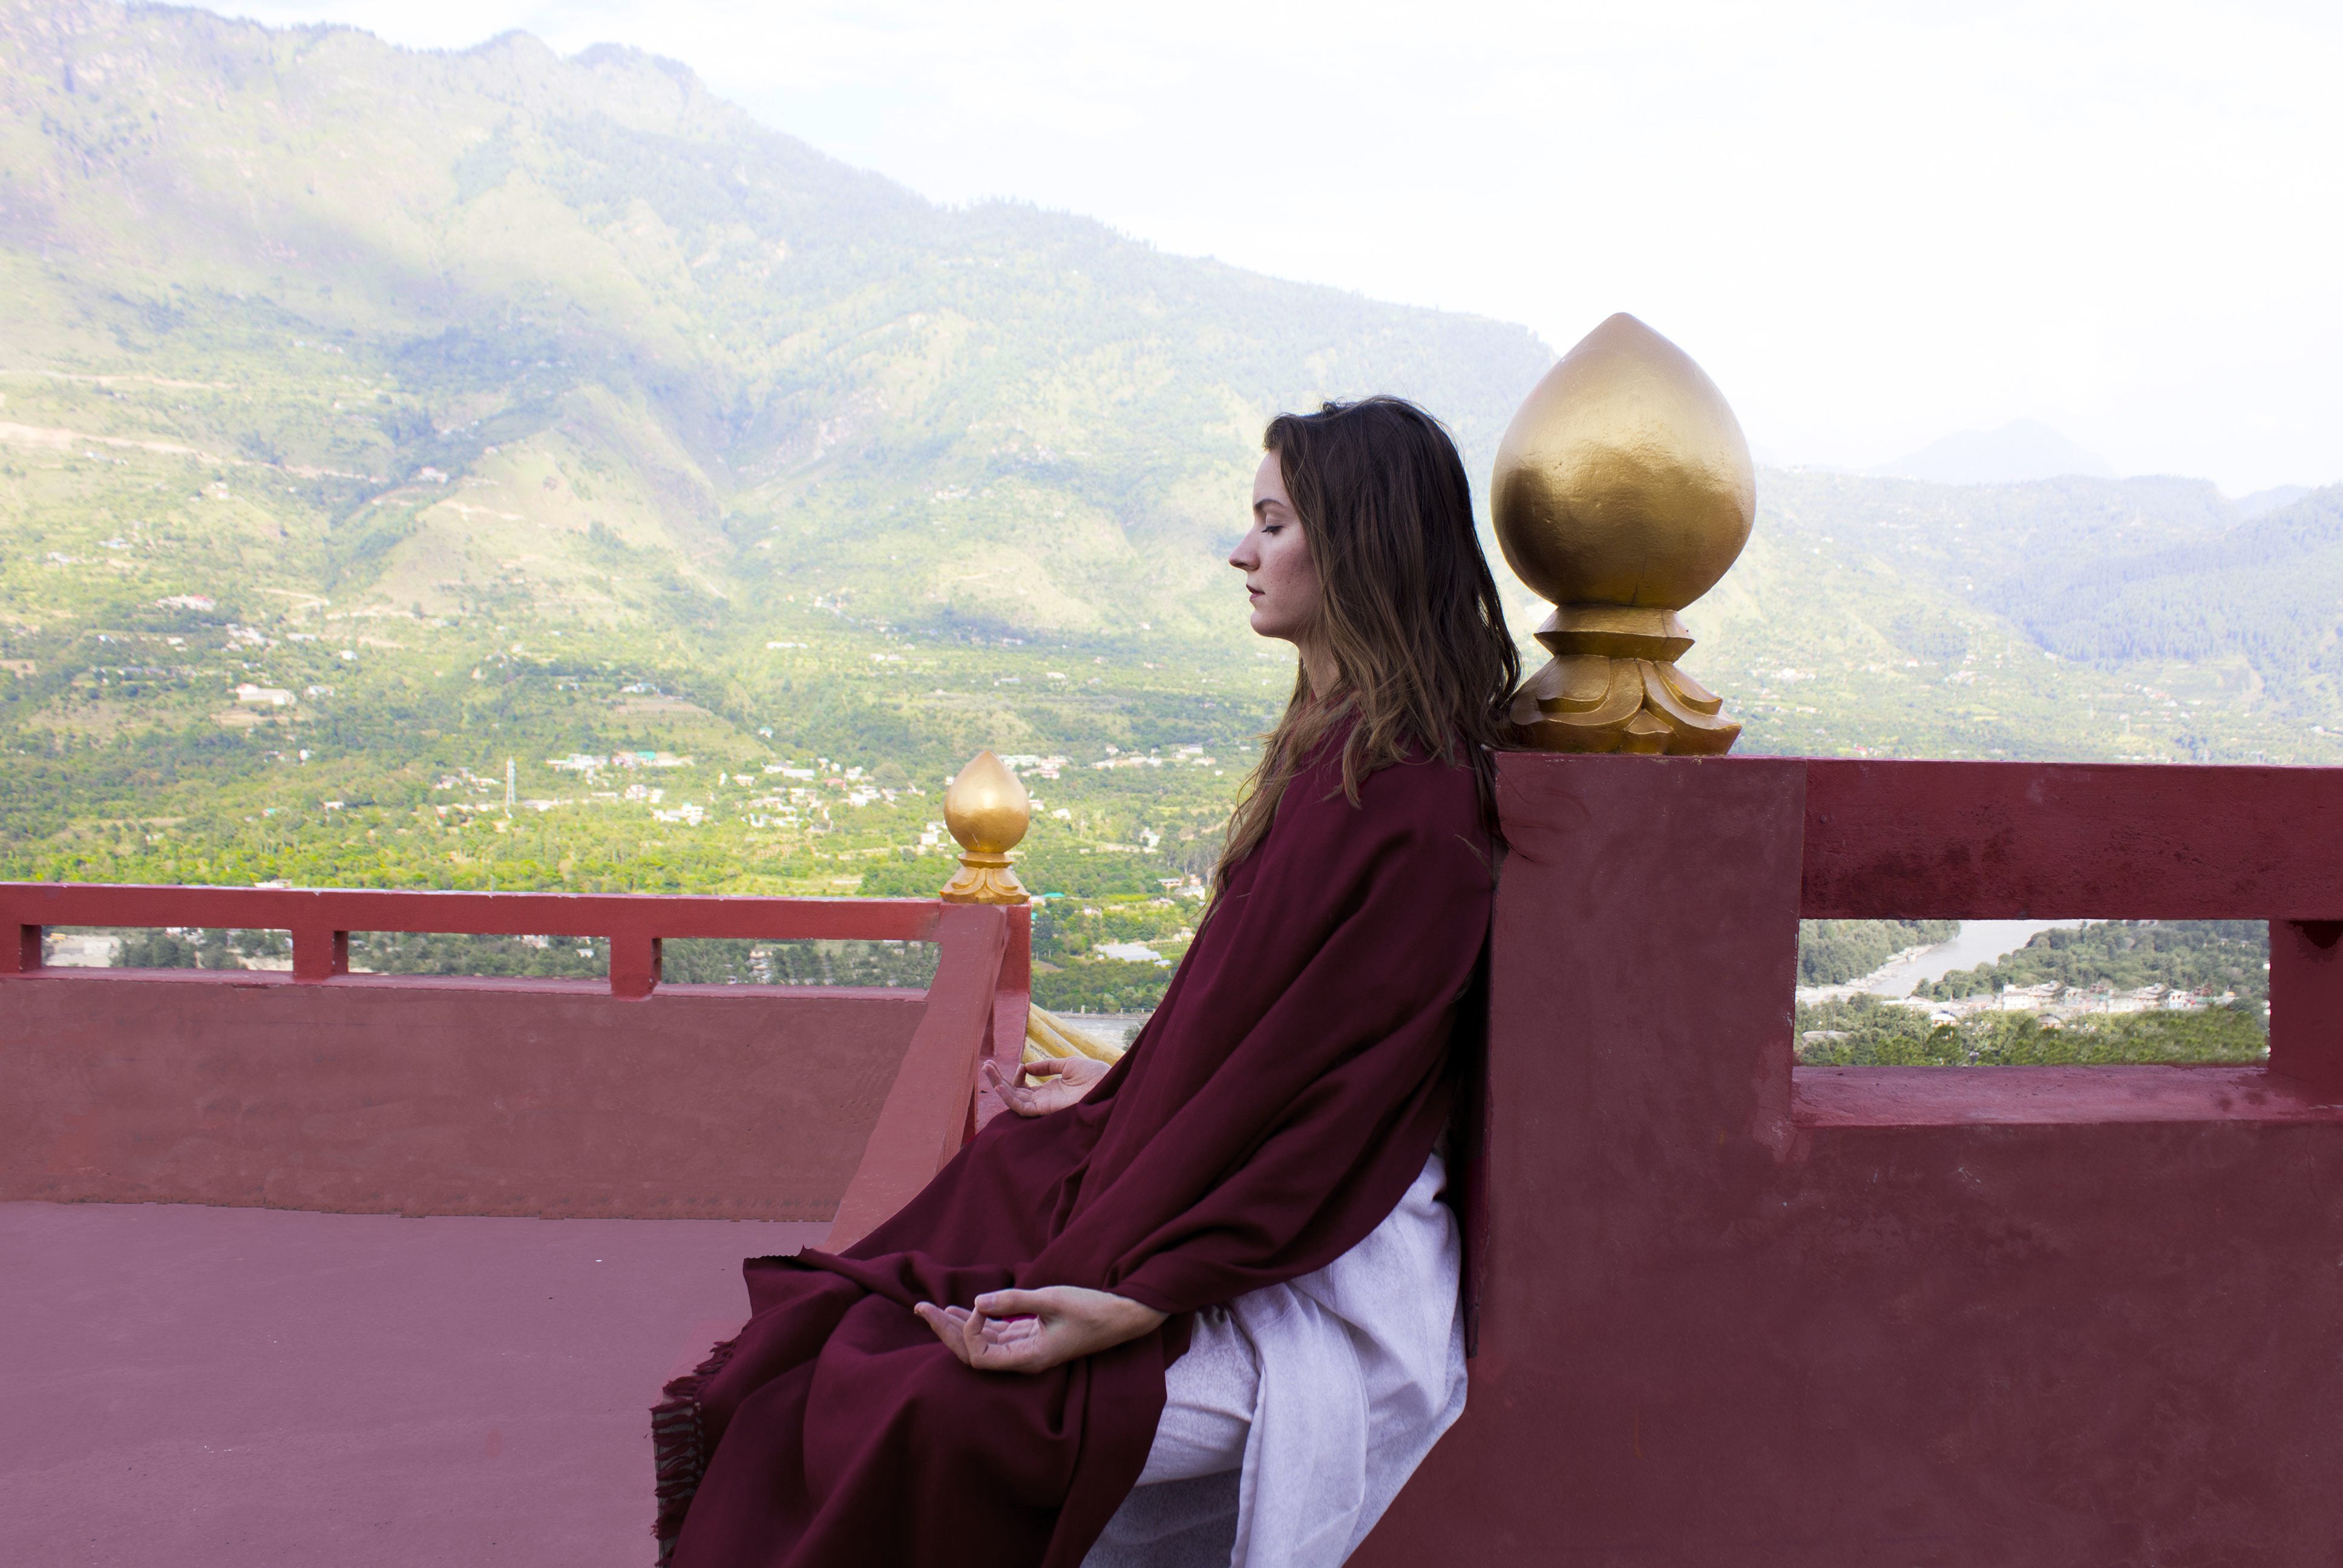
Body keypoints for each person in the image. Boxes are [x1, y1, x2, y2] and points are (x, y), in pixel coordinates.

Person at [654, 396, 1519, 1568]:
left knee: (927, 1402)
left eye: (1272, 523)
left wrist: (1141, 1296)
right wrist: (1123, 1093)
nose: (1241, 552)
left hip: (1326, 1265)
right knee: (872, 1301)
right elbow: (1250, 1026)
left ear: (1360, 541)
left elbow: (1339, 1099)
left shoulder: (1413, 808)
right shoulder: (1340, 755)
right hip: (1243, 1206)